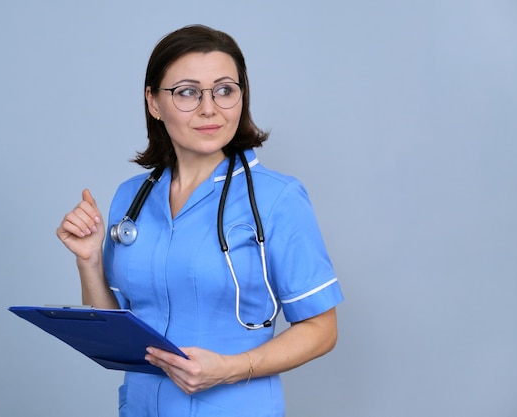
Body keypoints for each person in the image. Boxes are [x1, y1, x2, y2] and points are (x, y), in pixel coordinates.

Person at [56, 24, 343, 417]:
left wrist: (229, 369)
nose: (210, 108)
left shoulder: (277, 199)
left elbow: (322, 329)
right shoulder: (132, 197)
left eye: (225, 90)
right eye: (187, 92)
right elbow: (115, 327)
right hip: (139, 407)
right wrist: (88, 260)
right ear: (154, 102)